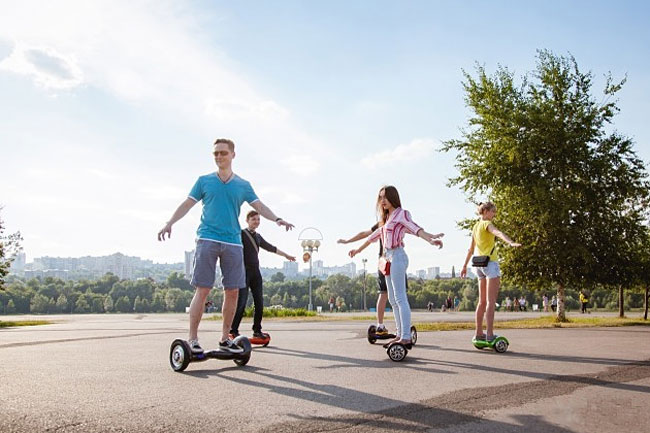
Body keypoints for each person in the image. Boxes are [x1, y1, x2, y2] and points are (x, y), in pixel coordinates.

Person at [158, 138, 294, 354]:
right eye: (216, 153)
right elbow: (187, 204)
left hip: (233, 243)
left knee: (232, 291)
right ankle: (193, 339)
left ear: (233, 155)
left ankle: (225, 338)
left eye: (223, 152)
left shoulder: (243, 185)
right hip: (207, 239)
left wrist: (277, 219)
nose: (219, 156)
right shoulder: (204, 181)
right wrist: (169, 223)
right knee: (203, 289)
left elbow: (259, 205)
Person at [349, 186, 443, 345]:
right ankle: (400, 334)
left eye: (385, 197)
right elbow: (374, 236)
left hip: (398, 256)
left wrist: (430, 239)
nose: (382, 201)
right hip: (387, 258)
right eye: (380, 198)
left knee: (400, 298)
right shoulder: (387, 218)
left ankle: (405, 336)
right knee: (392, 299)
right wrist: (358, 250)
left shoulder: (401, 213)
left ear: (393, 197)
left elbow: (415, 228)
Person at [460, 201, 521, 343]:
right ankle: (489, 334)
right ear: (486, 211)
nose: (494, 214)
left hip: (479, 265)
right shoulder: (487, 224)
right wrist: (510, 242)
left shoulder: (475, 226)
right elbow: (497, 233)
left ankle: (478, 333)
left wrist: (464, 266)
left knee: (481, 302)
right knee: (491, 302)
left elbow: (471, 249)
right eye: (493, 211)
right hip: (490, 264)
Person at [230, 210, 296, 338]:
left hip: (256, 273)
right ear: (247, 220)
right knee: (241, 302)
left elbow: (271, 248)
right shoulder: (241, 234)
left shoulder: (258, 237)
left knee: (259, 303)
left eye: (258, 219)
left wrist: (286, 255)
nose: (256, 222)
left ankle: (257, 330)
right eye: (254, 219)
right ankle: (233, 330)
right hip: (243, 272)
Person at [338, 222, 409, 334]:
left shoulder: (382, 223)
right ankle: (402, 328)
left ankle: (380, 325)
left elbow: (364, 234)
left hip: (383, 261)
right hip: (393, 260)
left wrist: (348, 242)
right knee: (400, 295)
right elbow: (413, 229)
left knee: (383, 293)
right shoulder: (395, 221)